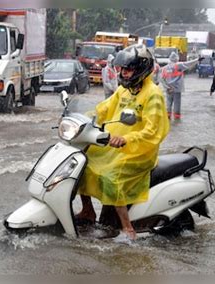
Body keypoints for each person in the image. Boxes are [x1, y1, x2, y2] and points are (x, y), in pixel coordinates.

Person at [76, 44, 170, 240]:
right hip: (112, 145)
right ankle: (88, 210)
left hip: (138, 151)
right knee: (81, 162)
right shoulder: (124, 91)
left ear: (140, 69)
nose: (124, 73)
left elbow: (153, 131)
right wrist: (79, 120)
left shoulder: (153, 94)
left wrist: (126, 139)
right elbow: (103, 109)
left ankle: (128, 228)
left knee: (113, 175)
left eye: (128, 69)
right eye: (122, 69)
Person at [160, 52, 201, 120]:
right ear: (176, 58)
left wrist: (167, 88)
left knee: (168, 103)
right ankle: (177, 118)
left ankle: (168, 117)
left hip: (168, 89)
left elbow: (162, 79)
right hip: (177, 89)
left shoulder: (165, 68)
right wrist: (197, 60)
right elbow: (189, 64)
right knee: (177, 104)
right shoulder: (178, 65)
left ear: (170, 58)